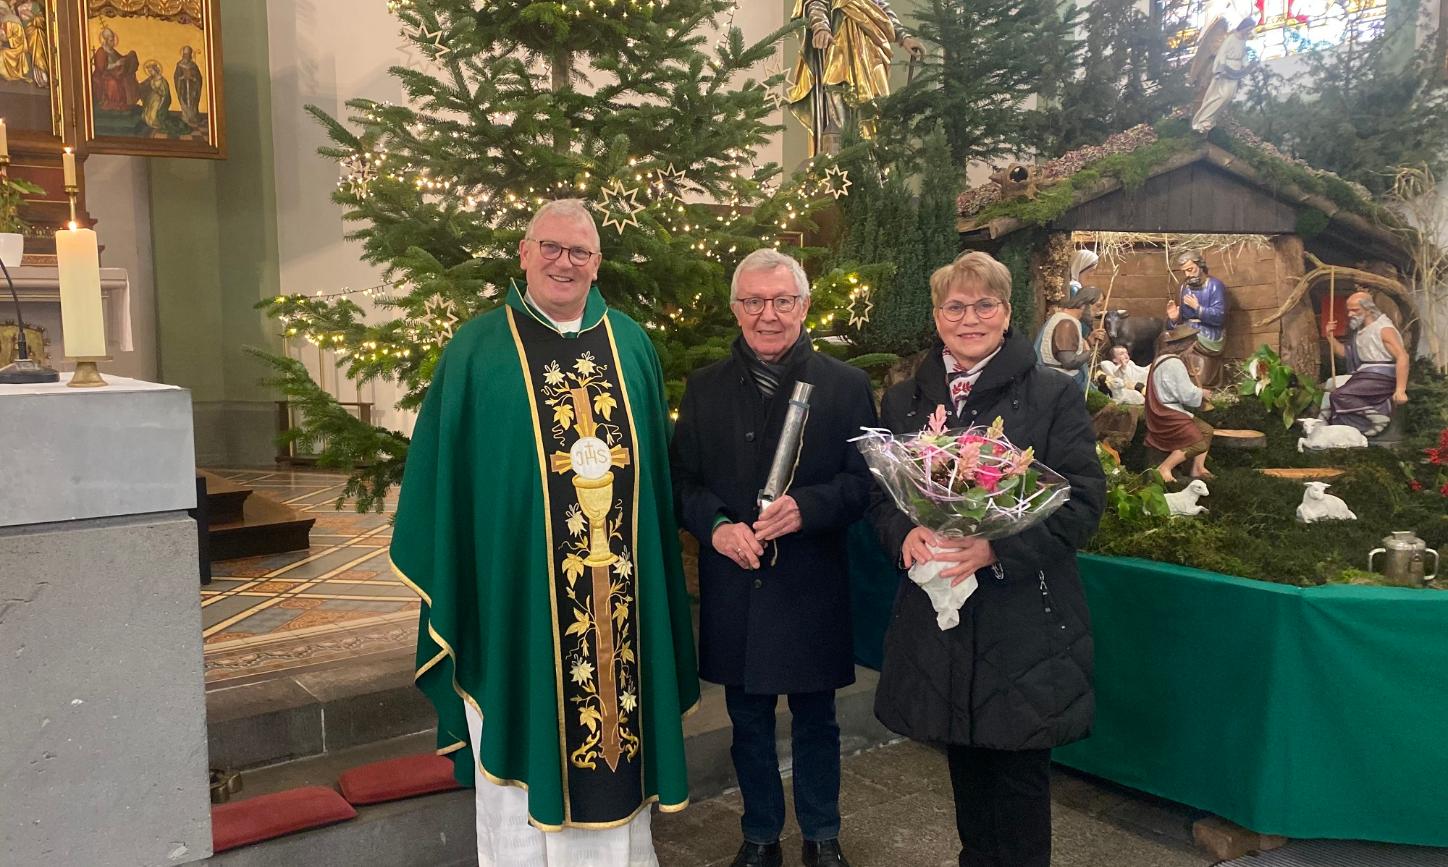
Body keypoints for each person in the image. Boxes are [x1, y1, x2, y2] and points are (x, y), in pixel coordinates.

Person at [391, 199, 699, 866]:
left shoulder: (632, 343)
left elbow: (657, 488)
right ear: (524, 253)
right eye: (552, 248)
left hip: (618, 600)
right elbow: (447, 490)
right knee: (521, 757)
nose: (565, 262)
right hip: (517, 609)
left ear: (597, 264)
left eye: (580, 252)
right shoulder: (479, 349)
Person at [869, 251, 1105, 867]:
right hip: (944, 610)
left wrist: (996, 547)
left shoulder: (1051, 395)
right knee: (965, 761)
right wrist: (904, 534)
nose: (969, 318)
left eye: (984, 305)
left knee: (1019, 773)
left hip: (1022, 619)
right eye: (955, 306)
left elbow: (1080, 504)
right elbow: (882, 495)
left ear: (1006, 314)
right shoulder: (906, 400)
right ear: (937, 315)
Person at [670, 249, 877, 867]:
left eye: (782, 301)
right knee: (747, 719)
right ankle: (760, 832)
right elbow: (680, 481)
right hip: (736, 580)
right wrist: (715, 527)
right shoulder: (704, 389)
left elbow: (866, 483)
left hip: (811, 583)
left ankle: (821, 834)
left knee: (818, 720)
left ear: (804, 306)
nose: (768, 315)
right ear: (735, 309)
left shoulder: (845, 385)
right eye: (754, 302)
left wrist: (807, 509)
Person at [785, 0, 924, 155]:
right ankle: (841, 167)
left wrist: (904, 37)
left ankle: (875, 166)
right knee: (839, 109)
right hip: (839, 51)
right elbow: (816, 2)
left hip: (871, 52)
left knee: (877, 109)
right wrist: (820, 27)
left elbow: (881, 8)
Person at [1322, 291, 1410, 435]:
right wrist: (1330, 336)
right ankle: (1323, 423)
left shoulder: (1384, 329)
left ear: (1369, 310)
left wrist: (1400, 389)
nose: (1350, 314)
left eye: (1355, 310)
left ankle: (1376, 418)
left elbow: (1403, 357)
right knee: (1330, 385)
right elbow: (1345, 354)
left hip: (1380, 377)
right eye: (1348, 310)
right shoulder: (1361, 331)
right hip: (1364, 374)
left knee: (1339, 395)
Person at [1145, 325, 1215, 483]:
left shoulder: (1161, 359)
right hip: (1166, 412)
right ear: (1187, 345)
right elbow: (1185, 393)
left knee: (1207, 431)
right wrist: (1201, 393)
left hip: (1166, 407)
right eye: (1192, 346)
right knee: (1198, 443)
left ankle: (1197, 468)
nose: (1192, 350)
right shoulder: (1174, 363)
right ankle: (1164, 467)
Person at [1164, 250, 1229, 387]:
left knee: (1187, 346)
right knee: (1163, 339)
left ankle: (1192, 383)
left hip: (1208, 331)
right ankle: (1168, 382)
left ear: (1200, 266)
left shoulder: (1215, 286)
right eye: (1185, 272)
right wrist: (1175, 318)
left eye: (1190, 269)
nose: (1187, 275)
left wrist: (1198, 308)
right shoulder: (1184, 287)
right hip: (1187, 329)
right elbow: (1180, 319)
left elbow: (1219, 317)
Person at [1191, 17, 1255, 133]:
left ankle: (1210, 121)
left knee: (1228, 97)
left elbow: (1243, 55)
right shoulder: (1231, 38)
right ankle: (1203, 121)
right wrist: (1219, 70)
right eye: (1249, 29)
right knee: (1221, 96)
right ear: (1244, 26)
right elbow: (1221, 54)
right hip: (1225, 71)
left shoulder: (1243, 39)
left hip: (1235, 71)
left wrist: (1247, 66)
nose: (1249, 31)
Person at [1036, 284, 1105, 390]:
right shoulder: (1066, 324)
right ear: (1084, 304)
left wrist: (1089, 341)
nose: (1097, 312)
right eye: (1097, 306)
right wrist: (1088, 352)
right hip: (1060, 384)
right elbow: (1069, 362)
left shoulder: (1068, 320)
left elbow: (1070, 350)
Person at [91, 27, 139, 113]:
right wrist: (116, 64)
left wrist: (127, 58)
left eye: (113, 40)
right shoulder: (101, 51)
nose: (113, 42)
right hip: (103, 76)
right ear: (105, 40)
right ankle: (113, 103)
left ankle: (127, 102)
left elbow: (119, 57)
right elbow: (101, 68)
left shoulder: (112, 51)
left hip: (112, 73)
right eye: (110, 40)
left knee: (126, 79)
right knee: (113, 83)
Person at [174, 45, 204, 128]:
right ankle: (186, 119)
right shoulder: (179, 65)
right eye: (185, 55)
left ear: (190, 55)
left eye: (188, 55)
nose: (186, 57)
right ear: (183, 55)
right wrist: (182, 77)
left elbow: (199, 78)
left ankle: (193, 118)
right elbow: (176, 77)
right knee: (184, 102)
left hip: (192, 89)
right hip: (183, 87)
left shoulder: (193, 65)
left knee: (193, 102)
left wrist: (193, 78)